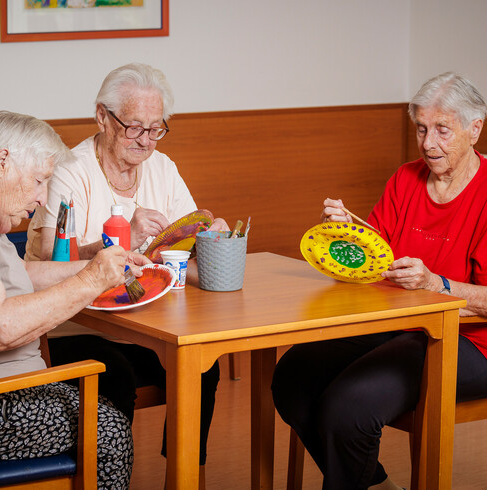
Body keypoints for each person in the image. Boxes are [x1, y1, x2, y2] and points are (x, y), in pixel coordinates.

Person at [272, 71, 487, 490]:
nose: (427, 143)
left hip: (470, 342)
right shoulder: (405, 178)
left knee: (348, 406)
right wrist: (340, 236)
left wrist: (436, 285)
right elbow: (366, 267)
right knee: (292, 379)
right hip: (394, 325)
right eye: (422, 129)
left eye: (442, 129)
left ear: (475, 127)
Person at [0, 111, 139, 489]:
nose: (42, 196)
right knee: (109, 432)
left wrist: (96, 266)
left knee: (108, 398)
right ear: (2, 162)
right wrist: (90, 280)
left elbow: (15, 276)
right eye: (38, 181)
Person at [25, 62, 228, 471]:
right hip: (74, 324)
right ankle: (109, 477)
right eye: (135, 127)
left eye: (157, 128)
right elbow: (49, 255)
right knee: (110, 373)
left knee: (202, 367)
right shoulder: (69, 169)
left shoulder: (163, 168)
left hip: (147, 321)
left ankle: (183, 474)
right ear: (103, 116)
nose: (147, 141)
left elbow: (188, 237)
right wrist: (117, 241)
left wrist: (214, 237)